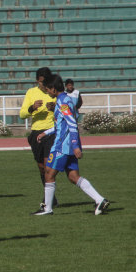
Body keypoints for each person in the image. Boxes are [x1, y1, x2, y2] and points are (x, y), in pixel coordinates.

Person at [32, 74, 110, 216]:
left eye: (48, 89)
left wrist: (74, 145)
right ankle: (100, 200)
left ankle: (47, 208)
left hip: (63, 146)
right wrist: (46, 133)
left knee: (49, 174)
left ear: (54, 89)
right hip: (67, 145)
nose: (47, 92)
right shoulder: (64, 100)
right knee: (73, 176)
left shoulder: (63, 102)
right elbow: (61, 125)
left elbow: (72, 124)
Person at [19, 67, 58, 210]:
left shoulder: (54, 92)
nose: (44, 86)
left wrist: (55, 107)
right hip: (36, 133)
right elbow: (22, 114)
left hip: (51, 132)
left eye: (46, 83)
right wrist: (32, 108)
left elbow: (64, 108)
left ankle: (48, 200)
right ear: (37, 81)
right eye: (41, 83)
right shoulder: (31, 92)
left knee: (48, 167)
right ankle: (51, 198)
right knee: (41, 168)